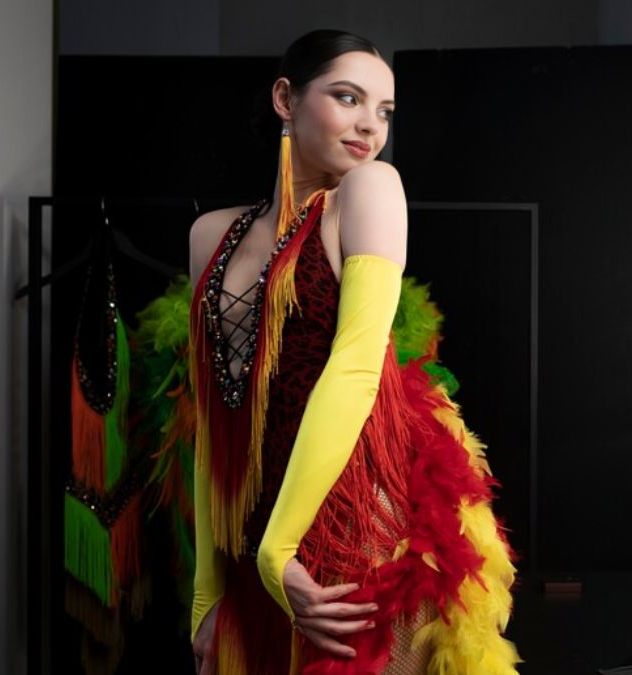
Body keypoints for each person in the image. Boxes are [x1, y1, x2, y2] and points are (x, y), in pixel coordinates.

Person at [186, 30, 520, 675]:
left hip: (356, 519)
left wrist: (278, 550)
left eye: (386, 111)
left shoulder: (369, 190)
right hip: (251, 529)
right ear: (286, 98)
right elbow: (210, 417)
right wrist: (208, 591)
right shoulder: (210, 234)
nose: (371, 125)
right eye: (348, 98)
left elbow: (357, 364)